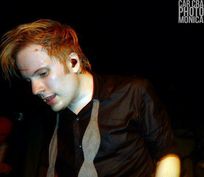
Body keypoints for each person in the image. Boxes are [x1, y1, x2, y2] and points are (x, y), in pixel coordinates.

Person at [0, 19, 180, 177]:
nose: (35, 89)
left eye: (43, 73)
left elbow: (167, 155)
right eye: (29, 80)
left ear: (73, 62)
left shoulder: (133, 92)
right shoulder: (51, 114)